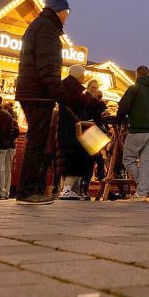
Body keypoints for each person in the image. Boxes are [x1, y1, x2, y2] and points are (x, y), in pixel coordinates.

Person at [14, 0, 71, 205]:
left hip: (33, 92)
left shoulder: (40, 26)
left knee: (36, 140)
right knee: (37, 141)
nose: (66, 17)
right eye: (66, 12)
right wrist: (59, 92)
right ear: (58, 10)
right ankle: (27, 191)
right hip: (38, 94)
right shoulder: (47, 29)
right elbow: (47, 66)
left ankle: (28, 189)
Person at [117, 65, 149, 202]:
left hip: (137, 129)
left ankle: (144, 186)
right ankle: (143, 191)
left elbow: (123, 107)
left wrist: (120, 119)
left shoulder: (134, 88)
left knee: (128, 159)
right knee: (145, 161)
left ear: (137, 75)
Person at [56, 65, 100, 200]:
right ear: (78, 75)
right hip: (76, 128)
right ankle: (68, 189)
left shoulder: (62, 86)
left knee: (68, 156)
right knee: (76, 157)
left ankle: (69, 189)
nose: (84, 77)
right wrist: (95, 100)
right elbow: (87, 105)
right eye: (83, 75)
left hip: (65, 127)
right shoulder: (76, 89)